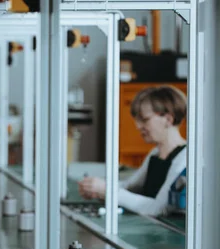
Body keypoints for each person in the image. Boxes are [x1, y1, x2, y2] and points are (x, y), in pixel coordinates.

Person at [78, 85, 187, 216]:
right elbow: (129, 187)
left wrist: (108, 190)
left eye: (145, 120)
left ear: (168, 119)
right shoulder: (155, 153)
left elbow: (160, 208)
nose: (138, 126)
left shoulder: (184, 158)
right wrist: (96, 188)